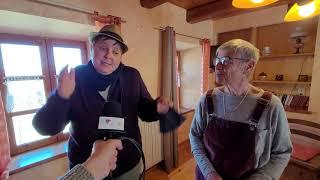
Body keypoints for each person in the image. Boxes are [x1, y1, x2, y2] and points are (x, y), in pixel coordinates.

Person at [33, 24, 176, 179]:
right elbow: (45, 127)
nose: (109, 55)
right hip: (88, 169)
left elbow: (145, 111)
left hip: (128, 164)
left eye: (116, 51)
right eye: (103, 48)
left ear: (121, 56)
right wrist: (61, 97)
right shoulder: (75, 77)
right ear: (93, 47)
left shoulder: (131, 76)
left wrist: (158, 108)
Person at [189, 39, 292, 180]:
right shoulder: (207, 99)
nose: (217, 66)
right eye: (217, 59)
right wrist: (209, 172)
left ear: (249, 66)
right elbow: (195, 136)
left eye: (226, 60)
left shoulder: (271, 105)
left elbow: (282, 152)